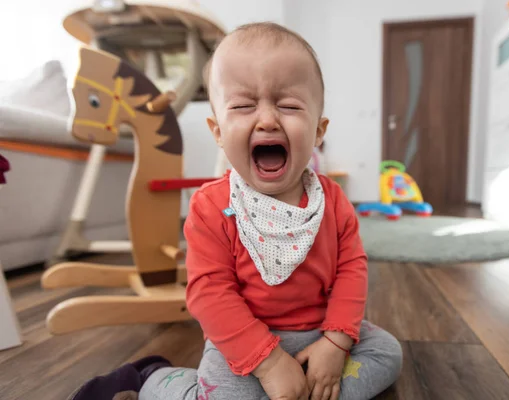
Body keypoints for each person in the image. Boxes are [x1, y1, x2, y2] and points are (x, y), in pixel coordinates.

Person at [69, 22, 402, 400]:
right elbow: (210, 293)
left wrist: (336, 345)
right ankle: (153, 378)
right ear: (218, 132)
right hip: (242, 344)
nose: (267, 119)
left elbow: (351, 270)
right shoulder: (212, 205)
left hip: (320, 333)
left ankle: (311, 384)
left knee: (387, 352)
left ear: (319, 131)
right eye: (243, 106)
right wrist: (270, 363)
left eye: (289, 105)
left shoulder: (334, 201)